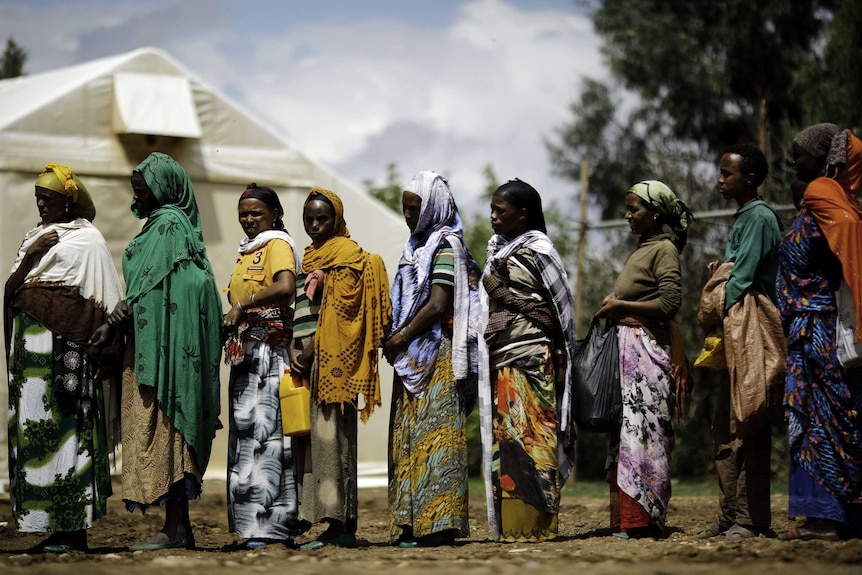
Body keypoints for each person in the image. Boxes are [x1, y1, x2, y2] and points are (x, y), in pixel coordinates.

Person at [96, 152, 222, 551]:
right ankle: (178, 527)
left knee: (169, 431)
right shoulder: (164, 228)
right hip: (156, 345)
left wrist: (116, 320)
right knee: (167, 434)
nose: (138, 198)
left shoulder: (169, 226)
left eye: (143, 190)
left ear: (164, 188)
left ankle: (176, 528)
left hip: (167, 350)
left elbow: (158, 288)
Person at [4, 163, 124, 554]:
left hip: (66, 355)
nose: (41, 205)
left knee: (69, 434)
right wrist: (30, 257)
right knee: (34, 435)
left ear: (69, 202)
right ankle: (50, 526)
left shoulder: (87, 241)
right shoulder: (33, 239)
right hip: (29, 361)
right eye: (38, 198)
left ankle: (74, 530)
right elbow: (10, 293)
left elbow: (102, 299)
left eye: (49, 199)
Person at [289, 187, 392, 549]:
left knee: (336, 442)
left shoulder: (346, 255)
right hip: (308, 360)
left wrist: (311, 350)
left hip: (335, 363)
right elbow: (303, 311)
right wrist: (294, 345)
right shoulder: (310, 257)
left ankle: (341, 524)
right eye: (309, 219)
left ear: (338, 219)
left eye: (323, 218)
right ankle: (324, 519)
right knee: (316, 443)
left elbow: (341, 315)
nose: (315, 225)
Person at [383, 171, 480, 548]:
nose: (408, 215)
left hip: (436, 356)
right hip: (411, 356)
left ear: (433, 207)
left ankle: (438, 524)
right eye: (404, 208)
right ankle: (410, 523)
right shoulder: (416, 248)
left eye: (413, 207)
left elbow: (439, 304)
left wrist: (401, 336)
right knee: (409, 437)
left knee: (436, 438)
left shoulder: (445, 247)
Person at [477, 178, 577, 542]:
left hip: (533, 358)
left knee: (534, 440)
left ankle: (536, 525)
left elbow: (559, 312)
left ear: (523, 215)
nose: (492, 217)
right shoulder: (497, 252)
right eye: (491, 209)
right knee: (509, 445)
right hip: (502, 359)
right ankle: (513, 525)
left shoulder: (539, 251)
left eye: (499, 211)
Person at [776, 124, 862, 540]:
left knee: (820, 419)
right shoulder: (821, 204)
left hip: (818, 331)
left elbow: (846, 236)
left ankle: (825, 517)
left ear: (824, 158)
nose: (794, 161)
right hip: (806, 328)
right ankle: (835, 515)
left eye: (801, 154)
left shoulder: (827, 199)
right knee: (824, 417)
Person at [697, 144, 784, 541]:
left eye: (727, 173)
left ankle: (751, 519)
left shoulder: (761, 217)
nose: (720, 179)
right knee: (726, 428)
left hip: (752, 329)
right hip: (734, 330)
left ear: (749, 179)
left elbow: (743, 278)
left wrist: (714, 301)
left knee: (749, 422)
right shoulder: (744, 216)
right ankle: (729, 513)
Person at [597, 180, 692, 539]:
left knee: (644, 432)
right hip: (629, 350)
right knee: (628, 432)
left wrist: (621, 305)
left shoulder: (664, 249)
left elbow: (670, 304)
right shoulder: (645, 247)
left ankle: (644, 518)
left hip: (647, 349)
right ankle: (628, 518)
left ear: (655, 213)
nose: (627, 215)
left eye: (634, 209)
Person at [223, 183, 307, 549]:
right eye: (244, 214)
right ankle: (249, 526)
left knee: (268, 438)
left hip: (269, 354)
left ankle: (272, 527)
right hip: (247, 353)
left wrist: (244, 305)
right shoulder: (246, 252)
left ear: (274, 215)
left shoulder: (277, 245)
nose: (249, 220)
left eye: (256, 213)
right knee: (246, 439)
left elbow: (286, 286)